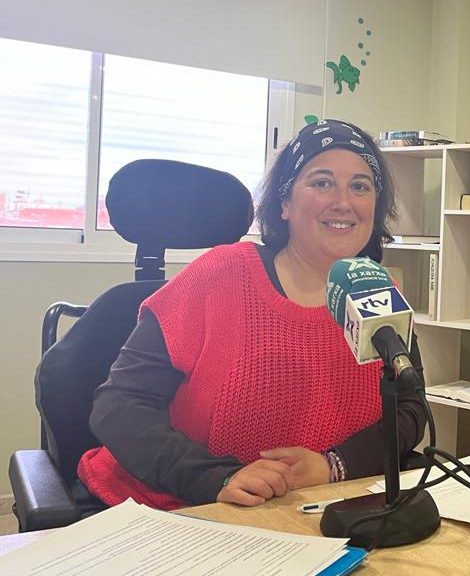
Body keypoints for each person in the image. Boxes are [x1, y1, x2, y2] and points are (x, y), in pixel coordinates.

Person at [76, 119, 427, 510]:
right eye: (322, 182)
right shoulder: (219, 276)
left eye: (360, 186)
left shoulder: (375, 290)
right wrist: (216, 477)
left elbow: (410, 408)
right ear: (284, 203)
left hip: (311, 509)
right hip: (176, 505)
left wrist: (335, 465)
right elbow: (118, 406)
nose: (343, 202)